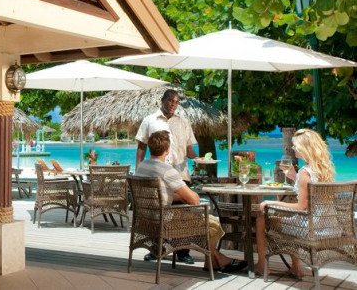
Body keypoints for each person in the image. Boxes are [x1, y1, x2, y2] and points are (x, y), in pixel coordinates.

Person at [135, 130, 247, 273]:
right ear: (167, 149)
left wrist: (177, 197)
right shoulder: (167, 171)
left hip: (146, 221)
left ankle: (214, 261)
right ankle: (215, 260)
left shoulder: (142, 167)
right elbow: (194, 199)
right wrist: (185, 196)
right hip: (165, 222)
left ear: (150, 147)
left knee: (207, 221)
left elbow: (157, 196)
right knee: (214, 224)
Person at [254, 129, 335, 278]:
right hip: (329, 227)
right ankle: (296, 268)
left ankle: (261, 265)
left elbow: (302, 207)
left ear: (305, 148)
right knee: (290, 220)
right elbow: (309, 194)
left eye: (295, 145)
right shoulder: (323, 170)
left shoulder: (305, 172)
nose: (292, 148)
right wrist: (294, 177)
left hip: (310, 229)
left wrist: (270, 202)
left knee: (261, 220)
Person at [135, 88, 199, 264]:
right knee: (157, 211)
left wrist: (198, 159)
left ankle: (182, 251)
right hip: (157, 173)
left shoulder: (184, 122)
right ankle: (157, 249)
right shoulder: (149, 121)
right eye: (170, 100)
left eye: (176, 102)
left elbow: (188, 148)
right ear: (162, 100)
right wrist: (138, 170)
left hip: (180, 173)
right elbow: (141, 147)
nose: (173, 104)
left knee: (182, 214)